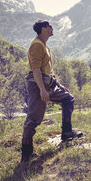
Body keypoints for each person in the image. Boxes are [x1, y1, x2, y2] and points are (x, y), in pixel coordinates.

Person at [21, 20, 82, 162]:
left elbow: (48, 71)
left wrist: (59, 85)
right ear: (43, 29)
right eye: (50, 27)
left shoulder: (44, 45)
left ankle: (67, 133)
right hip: (38, 85)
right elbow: (35, 69)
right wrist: (42, 90)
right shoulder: (36, 45)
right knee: (34, 118)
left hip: (48, 83)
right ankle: (26, 154)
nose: (52, 28)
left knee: (68, 98)